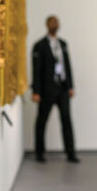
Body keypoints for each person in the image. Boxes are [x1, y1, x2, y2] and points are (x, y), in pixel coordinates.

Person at [32, 15, 79, 163]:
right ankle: (39, 152)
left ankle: (70, 152)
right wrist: (36, 91)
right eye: (52, 22)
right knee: (42, 120)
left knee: (66, 120)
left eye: (57, 22)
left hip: (62, 88)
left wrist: (70, 86)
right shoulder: (39, 45)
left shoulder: (63, 44)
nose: (55, 24)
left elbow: (67, 66)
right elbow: (36, 70)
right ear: (47, 25)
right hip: (47, 90)